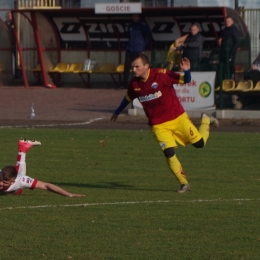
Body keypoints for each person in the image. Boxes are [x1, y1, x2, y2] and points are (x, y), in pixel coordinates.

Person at [111, 53, 219, 193]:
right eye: (132, 67)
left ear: (146, 66)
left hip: (177, 117)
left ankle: (205, 119)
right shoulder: (134, 84)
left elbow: (186, 80)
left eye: (137, 67)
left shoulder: (161, 75)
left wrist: (187, 70)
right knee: (168, 152)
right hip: (158, 125)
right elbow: (128, 98)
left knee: (200, 144)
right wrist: (117, 111)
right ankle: (184, 183)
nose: (134, 70)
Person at [0, 139, 85, 197]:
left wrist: (67, 194)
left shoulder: (22, 180)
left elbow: (46, 185)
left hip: (18, 180)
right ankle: (22, 148)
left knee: (20, 176)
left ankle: (23, 148)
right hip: (14, 186)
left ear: (12, 182)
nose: (1, 183)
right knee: (11, 190)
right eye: (0, 180)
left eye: (5, 182)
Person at [119, 14, 151, 89]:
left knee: (139, 67)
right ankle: (125, 83)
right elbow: (129, 36)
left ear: (139, 17)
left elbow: (147, 37)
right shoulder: (130, 26)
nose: (135, 18)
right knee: (127, 67)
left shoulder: (143, 25)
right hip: (130, 49)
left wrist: (142, 46)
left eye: (136, 16)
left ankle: (139, 83)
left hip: (139, 50)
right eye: (133, 16)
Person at [4, 11, 19, 79]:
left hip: (13, 44)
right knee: (5, 59)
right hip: (5, 44)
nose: (9, 17)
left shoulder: (15, 24)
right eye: (8, 16)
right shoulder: (3, 25)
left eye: (10, 16)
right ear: (5, 17)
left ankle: (17, 74)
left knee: (16, 59)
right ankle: (6, 74)